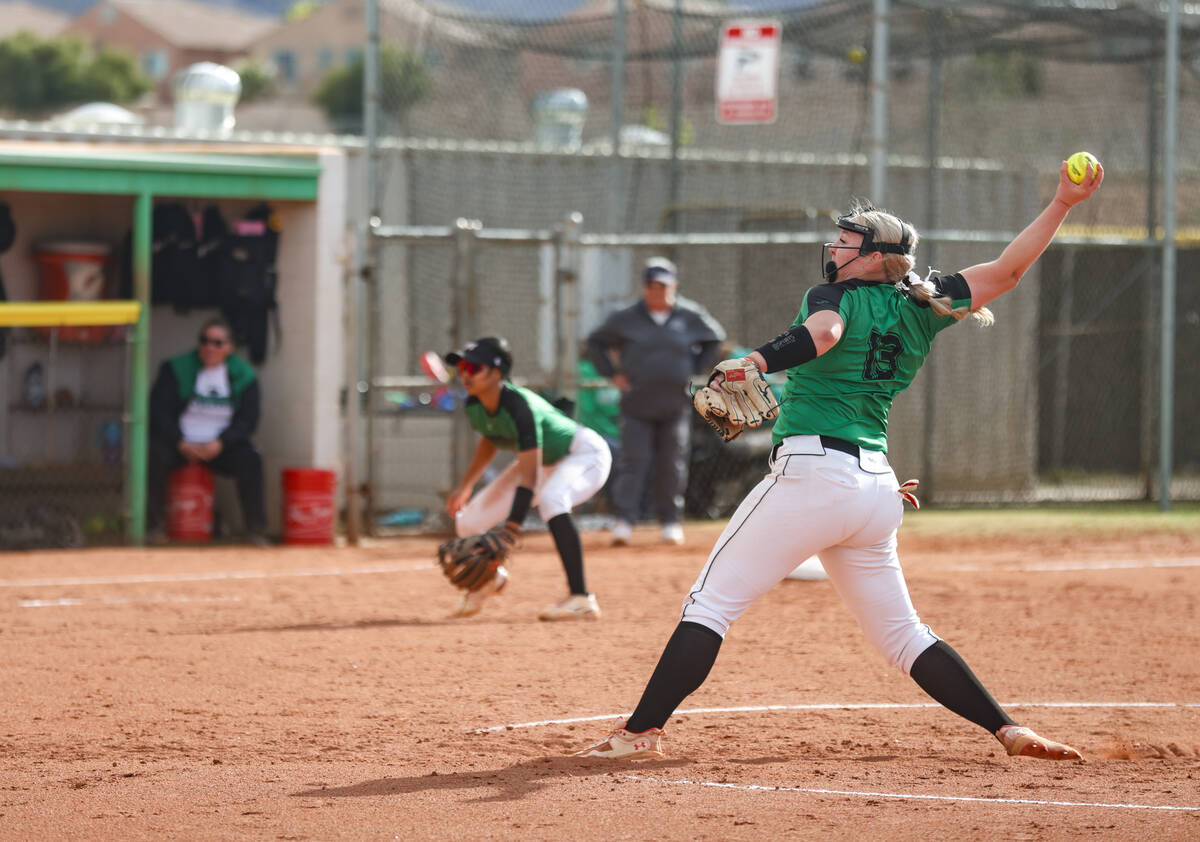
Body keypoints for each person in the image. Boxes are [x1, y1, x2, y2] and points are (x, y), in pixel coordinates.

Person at [573, 158, 1103, 760]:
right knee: (904, 636)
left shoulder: (834, 295)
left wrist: (757, 361)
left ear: (875, 256)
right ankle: (1008, 729)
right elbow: (1009, 272)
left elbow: (823, 335)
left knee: (710, 605)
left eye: (847, 241)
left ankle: (638, 734)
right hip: (875, 488)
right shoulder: (922, 308)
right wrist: (1062, 203)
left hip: (813, 475)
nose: (834, 247)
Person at [444, 336, 612, 620]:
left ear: (497, 372)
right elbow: (490, 438)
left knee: (552, 499)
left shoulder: (520, 407)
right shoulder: (475, 404)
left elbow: (529, 479)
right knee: (468, 522)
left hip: (583, 455)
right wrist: (466, 486)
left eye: (473, 368)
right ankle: (489, 580)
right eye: (461, 367)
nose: (464, 374)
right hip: (545, 463)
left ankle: (580, 598)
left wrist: (511, 529)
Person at [585, 257, 726, 546]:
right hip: (637, 404)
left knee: (671, 464)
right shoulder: (625, 317)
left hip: (674, 404)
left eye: (662, 285)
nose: (657, 291)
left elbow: (715, 339)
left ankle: (670, 522)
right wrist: (612, 374)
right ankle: (624, 521)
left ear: (674, 286)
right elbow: (595, 342)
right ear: (644, 287)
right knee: (633, 462)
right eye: (651, 285)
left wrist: (695, 367)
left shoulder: (689, 315)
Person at [147, 317, 268, 545]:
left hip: (220, 445)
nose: (209, 348)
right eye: (204, 341)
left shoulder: (244, 376)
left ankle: (256, 530)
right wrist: (180, 441)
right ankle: (154, 528)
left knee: (251, 459)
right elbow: (159, 412)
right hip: (181, 443)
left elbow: (248, 420)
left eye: (217, 343)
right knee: (153, 454)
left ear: (230, 347)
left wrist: (221, 443)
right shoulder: (176, 369)